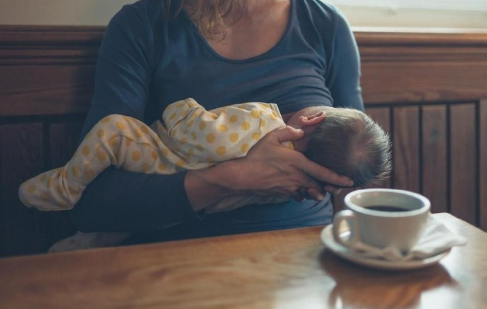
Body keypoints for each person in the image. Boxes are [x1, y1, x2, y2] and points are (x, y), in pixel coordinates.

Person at [37, 0, 365, 248]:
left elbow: (357, 173)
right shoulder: (144, 25)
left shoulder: (326, 26)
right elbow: (93, 205)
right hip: (178, 260)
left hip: (304, 257)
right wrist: (232, 179)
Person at [19, 98, 390, 251]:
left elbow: (193, 131)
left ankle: (64, 186)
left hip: (156, 160)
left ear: (310, 120)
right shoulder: (290, 187)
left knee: (113, 130)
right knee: (105, 235)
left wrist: (183, 107)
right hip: (178, 215)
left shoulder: (263, 119)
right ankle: (68, 249)